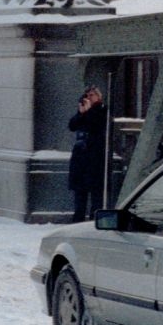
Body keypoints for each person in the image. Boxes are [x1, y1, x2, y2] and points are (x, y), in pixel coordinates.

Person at [67, 85, 107, 222]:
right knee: (80, 193)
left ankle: (93, 219)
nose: (89, 98)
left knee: (96, 193)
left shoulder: (102, 110)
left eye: (92, 95)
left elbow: (96, 125)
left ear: (98, 96)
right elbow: (72, 125)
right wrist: (81, 113)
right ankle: (78, 218)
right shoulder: (84, 113)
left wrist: (88, 112)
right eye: (87, 95)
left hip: (95, 158)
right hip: (81, 158)